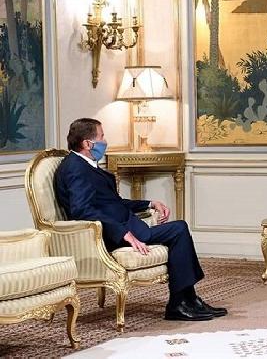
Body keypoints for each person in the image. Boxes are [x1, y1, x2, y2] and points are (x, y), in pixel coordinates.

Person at [54, 118, 227, 321]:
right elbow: (82, 210)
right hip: (106, 236)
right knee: (178, 229)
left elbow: (114, 203)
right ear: (87, 143)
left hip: (123, 227)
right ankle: (179, 303)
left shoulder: (85, 165)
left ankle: (188, 300)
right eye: (102, 137)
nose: (105, 141)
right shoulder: (75, 168)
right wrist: (123, 233)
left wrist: (150, 203)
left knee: (179, 229)